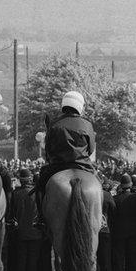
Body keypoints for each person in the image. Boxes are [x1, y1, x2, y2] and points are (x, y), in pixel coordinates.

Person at [34, 91, 96, 227]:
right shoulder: (87, 124)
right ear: (79, 106)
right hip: (83, 166)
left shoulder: (54, 124)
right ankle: (100, 217)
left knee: (40, 186)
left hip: (57, 167)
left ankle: (40, 217)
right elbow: (91, 149)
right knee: (99, 185)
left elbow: (48, 149)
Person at [9, 168, 44, 271]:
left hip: (20, 230)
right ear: (30, 179)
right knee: (33, 260)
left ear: (20, 180)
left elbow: (12, 213)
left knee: (21, 259)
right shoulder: (37, 193)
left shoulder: (15, 193)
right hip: (35, 231)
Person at [110, 174, 136, 271]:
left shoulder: (115, 199)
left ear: (121, 185)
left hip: (119, 232)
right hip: (133, 232)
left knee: (119, 258)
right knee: (132, 258)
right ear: (131, 185)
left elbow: (112, 217)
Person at [98, 178, 116, 271]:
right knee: (106, 257)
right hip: (105, 228)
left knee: (99, 257)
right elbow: (114, 210)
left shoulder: (96, 193)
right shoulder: (108, 195)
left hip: (94, 229)